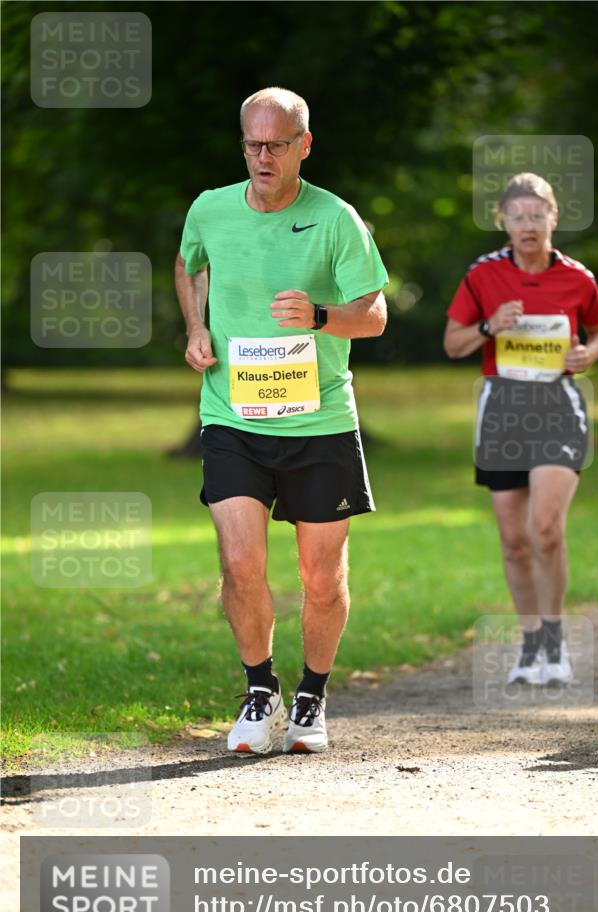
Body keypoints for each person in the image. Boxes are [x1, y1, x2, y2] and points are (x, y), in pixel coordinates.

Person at [174, 87, 388, 753]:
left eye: (276, 145)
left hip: (319, 421)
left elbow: (375, 315)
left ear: (304, 145)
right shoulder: (210, 208)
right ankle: (259, 690)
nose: (262, 157)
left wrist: (321, 316)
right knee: (240, 561)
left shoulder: (335, 219)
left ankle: (311, 695)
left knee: (320, 578)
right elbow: (189, 264)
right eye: (252, 145)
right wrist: (196, 327)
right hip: (232, 414)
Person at [444, 172, 598, 686]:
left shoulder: (577, 278)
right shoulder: (483, 275)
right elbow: (452, 343)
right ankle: (531, 641)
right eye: (517, 217)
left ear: (553, 218)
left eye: (537, 215)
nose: (528, 225)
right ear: (503, 222)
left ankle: (555, 641)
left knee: (545, 528)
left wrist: (588, 353)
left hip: (558, 407)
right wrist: (489, 326)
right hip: (502, 411)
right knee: (514, 541)